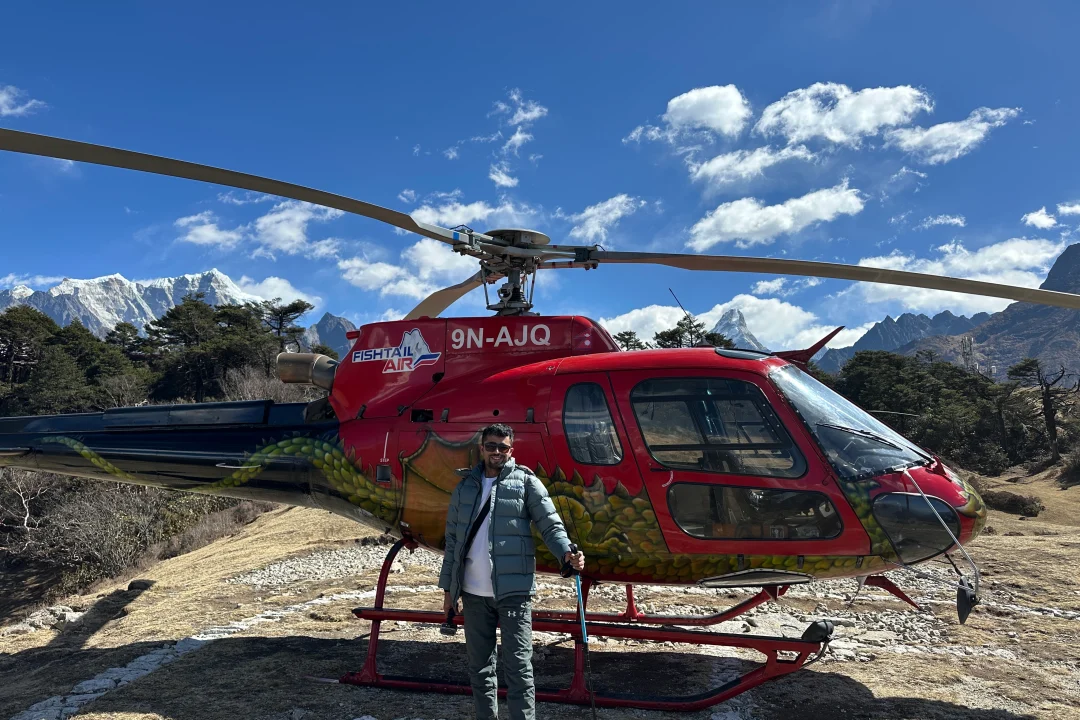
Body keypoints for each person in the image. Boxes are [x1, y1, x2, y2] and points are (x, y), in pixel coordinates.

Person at [438, 422, 585, 720]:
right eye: (491, 446)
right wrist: (448, 591)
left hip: (514, 593)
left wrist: (566, 553)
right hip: (473, 593)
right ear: (482, 448)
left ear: (511, 450)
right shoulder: (465, 487)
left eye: (502, 447)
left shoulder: (526, 482)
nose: (497, 452)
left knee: (519, 669)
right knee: (480, 669)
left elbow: (550, 524)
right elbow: (452, 541)